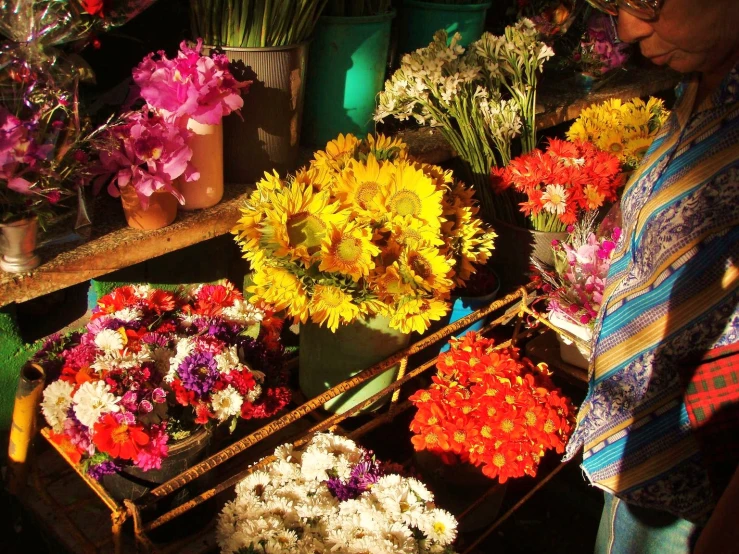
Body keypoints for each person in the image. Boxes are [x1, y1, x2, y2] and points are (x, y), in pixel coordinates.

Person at [563, 0, 739, 553]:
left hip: (695, 487)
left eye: (649, 1)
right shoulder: (702, 82)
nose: (630, 29)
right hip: (641, 454)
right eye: (613, 4)